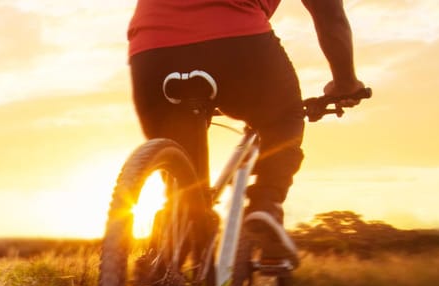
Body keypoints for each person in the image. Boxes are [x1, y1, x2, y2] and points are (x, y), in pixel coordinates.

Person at [127, 0, 366, 226]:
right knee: (284, 116)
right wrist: (345, 84)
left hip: (151, 53)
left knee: (183, 185)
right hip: (237, 42)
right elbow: (330, 16)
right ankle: (266, 203)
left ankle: (175, 235)